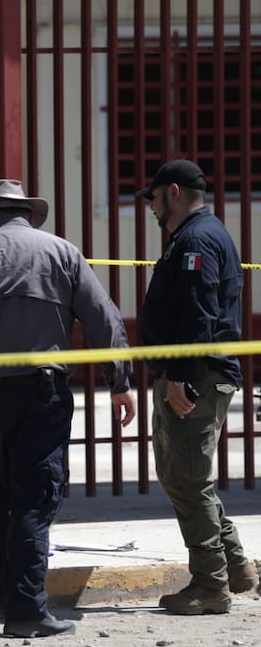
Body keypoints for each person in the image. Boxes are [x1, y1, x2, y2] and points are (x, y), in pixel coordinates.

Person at [0, 179, 136, 638]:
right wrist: (121, 381)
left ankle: (5, 589)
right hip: (41, 394)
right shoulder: (63, 254)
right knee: (34, 497)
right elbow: (103, 318)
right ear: (29, 215)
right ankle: (26, 608)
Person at [137, 158, 256, 614]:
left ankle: (210, 586)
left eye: (152, 198)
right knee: (183, 476)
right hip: (194, 374)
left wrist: (180, 377)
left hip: (196, 377)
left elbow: (198, 312)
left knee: (187, 477)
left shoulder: (197, 238)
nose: (149, 207)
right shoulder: (196, 236)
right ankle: (236, 565)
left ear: (172, 192)